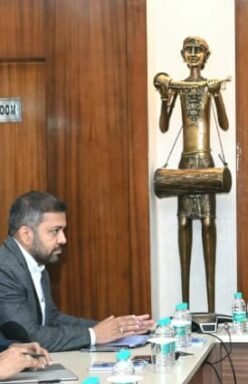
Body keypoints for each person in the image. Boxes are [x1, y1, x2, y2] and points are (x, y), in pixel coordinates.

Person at [0, 191, 155, 352]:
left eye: (63, 230)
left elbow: (52, 319)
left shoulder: (36, 264)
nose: (63, 239)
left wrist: (116, 329)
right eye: (55, 231)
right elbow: (27, 336)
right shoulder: (4, 269)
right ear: (26, 235)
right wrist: (93, 335)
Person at [154, 36, 229, 313]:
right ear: (183, 54)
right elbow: (163, 126)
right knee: (183, 222)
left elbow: (224, 124)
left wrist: (217, 94)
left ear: (206, 55)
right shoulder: (179, 87)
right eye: (189, 50)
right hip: (185, 162)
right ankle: (184, 307)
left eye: (198, 50)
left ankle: (211, 308)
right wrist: (165, 96)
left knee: (208, 223)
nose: (194, 54)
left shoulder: (208, 86)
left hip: (205, 160)